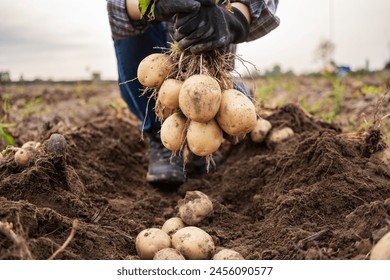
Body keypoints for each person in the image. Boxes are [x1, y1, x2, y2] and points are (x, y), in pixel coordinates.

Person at [106, 0, 280, 187]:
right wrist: (152, 8)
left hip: (212, 52)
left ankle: (227, 103)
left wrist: (233, 19)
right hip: (155, 42)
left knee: (212, 97)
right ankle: (158, 135)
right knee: (168, 94)